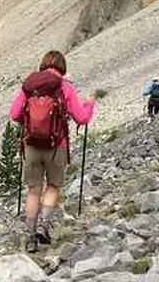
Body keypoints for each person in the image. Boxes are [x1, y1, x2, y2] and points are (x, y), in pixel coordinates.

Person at [9, 50, 95, 253]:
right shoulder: (65, 87)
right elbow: (81, 118)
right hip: (57, 146)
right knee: (54, 186)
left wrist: (32, 121)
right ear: (62, 68)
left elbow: (14, 114)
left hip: (31, 146)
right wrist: (89, 104)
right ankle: (43, 225)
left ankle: (30, 238)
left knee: (33, 190)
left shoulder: (30, 86)